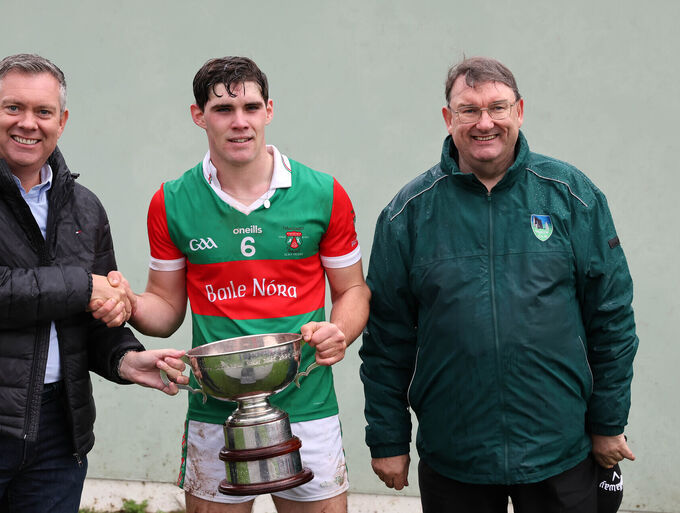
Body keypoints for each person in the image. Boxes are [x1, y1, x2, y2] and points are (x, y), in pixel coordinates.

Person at [0, 53, 187, 513]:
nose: (28, 123)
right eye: (14, 107)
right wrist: (87, 287)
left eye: (43, 111)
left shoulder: (83, 206)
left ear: (62, 121)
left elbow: (88, 317)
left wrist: (124, 358)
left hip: (58, 433)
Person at [359, 56, 638, 513]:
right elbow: (386, 340)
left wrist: (608, 422)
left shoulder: (572, 196)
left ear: (519, 111)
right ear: (448, 118)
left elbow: (612, 319)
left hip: (559, 448)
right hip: (455, 454)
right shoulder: (407, 214)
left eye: (497, 107)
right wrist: (388, 439)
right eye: (468, 110)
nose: (484, 122)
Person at [122, 56, 371, 513]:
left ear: (268, 111)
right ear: (199, 115)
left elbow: (353, 290)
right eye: (223, 109)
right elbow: (165, 308)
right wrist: (127, 303)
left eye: (251, 108)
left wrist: (340, 331)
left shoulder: (323, 193)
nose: (240, 122)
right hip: (214, 408)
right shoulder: (171, 201)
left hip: (307, 401)